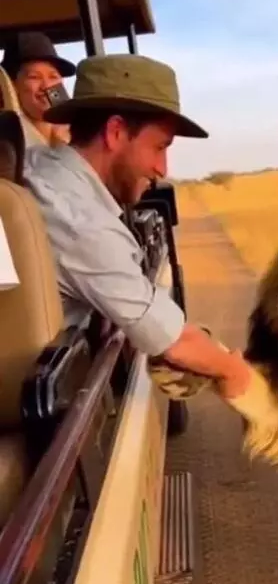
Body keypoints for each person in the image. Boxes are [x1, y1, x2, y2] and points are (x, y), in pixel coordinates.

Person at [22, 53, 251, 401]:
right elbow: (174, 341)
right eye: (159, 147)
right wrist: (234, 372)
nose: (162, 168)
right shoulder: (82, 221)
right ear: (115, 132)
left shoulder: (36, 165)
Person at [1, 31, 75, 147]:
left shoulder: (80, 134)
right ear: (12, 84)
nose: (46, 86)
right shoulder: (6, 141)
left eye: (53, 77)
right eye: (34, 77)